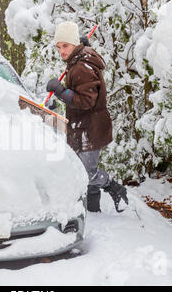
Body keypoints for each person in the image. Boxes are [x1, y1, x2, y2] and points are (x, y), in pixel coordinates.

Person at [46, 21, 128, 213]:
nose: (62, 51)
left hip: (90, 128)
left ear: (75, 44)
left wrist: (60, 92)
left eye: (65, 46)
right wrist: (81, 49)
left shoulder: (81, 66)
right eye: (59, 47)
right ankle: (93, 210)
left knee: (86, 173)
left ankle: (114, 188)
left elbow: (86, 101)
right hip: (84, 127)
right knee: (83, 169)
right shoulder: (79, 60)